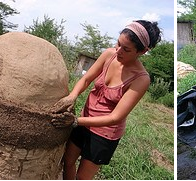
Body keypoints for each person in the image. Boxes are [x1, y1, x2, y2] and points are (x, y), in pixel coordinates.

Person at [49, 20, 161, 180]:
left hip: (104, 134)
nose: (118, 50)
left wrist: (75, 121)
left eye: (126, 49)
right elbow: (86, 79)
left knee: (82, 178)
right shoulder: (109, 55)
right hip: (83, 120)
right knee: (67, 161)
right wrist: (72, 96)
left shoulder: (141, 79)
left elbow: (115, 117)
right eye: (118, 43)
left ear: (142, 52)